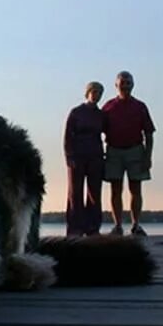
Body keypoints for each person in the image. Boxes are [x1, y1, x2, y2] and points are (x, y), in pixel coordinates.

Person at [102, 71, 156, 236]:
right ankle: (117, 225)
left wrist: (148, 156)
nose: (125, 85)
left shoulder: (140, 106)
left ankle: (136, 224)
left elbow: (149, 133)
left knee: (136, 189)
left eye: (128, 83)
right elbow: (97, 130)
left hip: (135, 151)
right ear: (116, 85)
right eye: (122, 82)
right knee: (115, 190)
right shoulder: (108, 106)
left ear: (133, 85)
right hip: (114, 152)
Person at [63, 81, 105, 236]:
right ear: (88, 93)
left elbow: (108, 134)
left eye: (100, 93)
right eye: (94, 92)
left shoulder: (101, 115)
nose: (97, 96)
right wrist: (69, 156)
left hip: (95, 156)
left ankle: (93, 227)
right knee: (75, 193)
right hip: (77, 156)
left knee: (95, 193)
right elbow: (68, 136)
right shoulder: (76, 112)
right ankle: (75, 228)